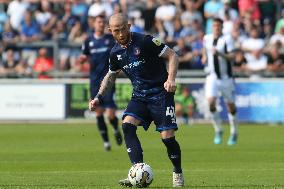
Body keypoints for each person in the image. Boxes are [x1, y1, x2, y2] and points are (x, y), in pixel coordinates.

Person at [89, 13, 184, 187]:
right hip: (140, 95)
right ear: (110, 31)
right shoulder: (115, 53)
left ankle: (177, 171)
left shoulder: (145, 41)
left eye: (123, 28)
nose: (121, 33)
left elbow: (173, 56)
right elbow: (110, 76)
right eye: (116, 30)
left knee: (167, 138)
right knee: (127, 125)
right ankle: (137, 171)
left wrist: (171, 79)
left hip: (161, 93)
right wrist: (98, 97)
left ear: (129, 26)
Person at [78, 14, 122, 151]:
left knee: (110, 114)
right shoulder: (88, 41)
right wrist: (82, 59)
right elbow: (84, 56)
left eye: (103, 22)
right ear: (94, 24)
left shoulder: (110, 39)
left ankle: (115, 128)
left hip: (108, 80)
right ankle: (106, 142)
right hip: (94, 81)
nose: (101, 24)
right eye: (99, 22)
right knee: (98, 112)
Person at [202, 18, 238, 145]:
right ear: (212, 27)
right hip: (212, 77)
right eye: (214, 26)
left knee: (231, 106)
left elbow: (233, 56)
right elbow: (205, 49)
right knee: (211, 102)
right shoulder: (207, 38)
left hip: (226, 78)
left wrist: (220, 54)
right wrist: (204, 56)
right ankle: (218, 130)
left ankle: (234, 132)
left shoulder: (227, 39)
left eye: (218, 26)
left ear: (222, 27)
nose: (216, 28)